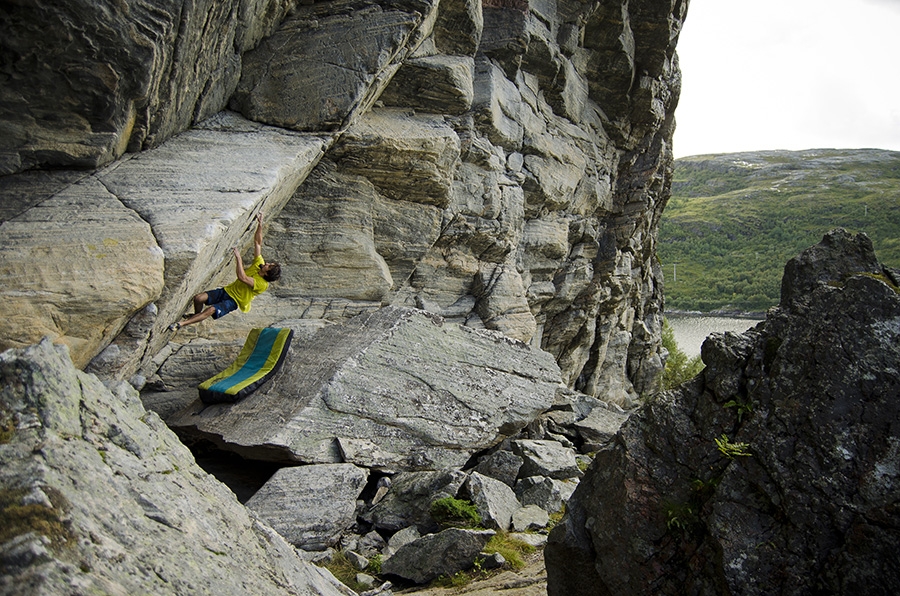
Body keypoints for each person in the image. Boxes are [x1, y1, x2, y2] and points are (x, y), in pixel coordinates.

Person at [168, 213, 281, 331]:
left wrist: (238, 258)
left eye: (269, 266)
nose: (267, 264)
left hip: (234, 301)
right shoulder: (259, 264)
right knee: (198, 298)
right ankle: (196, 316)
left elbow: (242, 277)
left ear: (267, 274)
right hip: (227, 291)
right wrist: (260, 224)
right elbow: (258, 243)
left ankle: (181, 324)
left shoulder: (262, 285)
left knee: (211, 310)